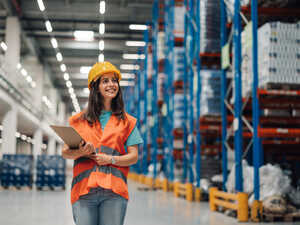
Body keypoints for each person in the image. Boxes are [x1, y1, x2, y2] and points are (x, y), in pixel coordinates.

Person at [62, 61, 143, 225]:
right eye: (105, 81)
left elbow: (134, 156)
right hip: (84, 192)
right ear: (95, 87)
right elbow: (65, 152)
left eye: (114, 81)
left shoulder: (127, 121)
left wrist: (111, 159)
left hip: (114, 193)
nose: (111, 85)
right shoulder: (79, 120)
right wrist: (82, 152)